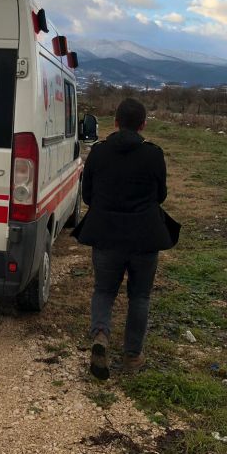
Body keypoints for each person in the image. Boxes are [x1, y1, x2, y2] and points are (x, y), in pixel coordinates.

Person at [72, 98, 179, 380]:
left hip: (106, 235)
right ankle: (132, 355)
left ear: (116, 122)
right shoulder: (154, 155)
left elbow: (87, 195)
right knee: (140, 296)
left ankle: (100, 337)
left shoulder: (99, 153)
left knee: (104, 291)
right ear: (143, 124)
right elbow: (161, 196)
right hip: (145, 238)